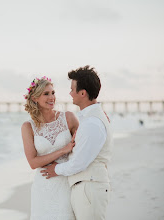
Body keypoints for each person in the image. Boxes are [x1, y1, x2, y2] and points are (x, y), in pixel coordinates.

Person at [41, 66, 112, 220]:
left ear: (82, 93)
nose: (70, 93)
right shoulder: (90, 119)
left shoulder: (92, 123)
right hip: (87, 187)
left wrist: (56, 169)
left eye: (72, 89)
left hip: (89, 188)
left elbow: (80, 163)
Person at [21, 76, 79, 219]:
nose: (51, 97)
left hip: (66, 182)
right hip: (43, 187)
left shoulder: (68, 118)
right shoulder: (28, 127)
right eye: (46, 94)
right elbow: (33, 163)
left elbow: (85, 140)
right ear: (35, 98)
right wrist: (63, 150)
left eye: (52, 93)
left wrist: (100, 117)